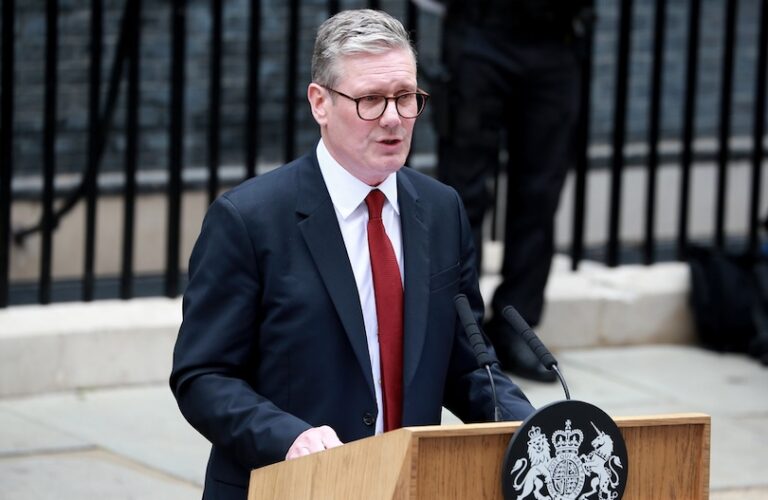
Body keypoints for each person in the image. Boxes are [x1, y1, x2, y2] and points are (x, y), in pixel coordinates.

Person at [170, 9, 534, 500]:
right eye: (370, 100)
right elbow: (203, 375)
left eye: (405, 97)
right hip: (291, 486)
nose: (393, 118)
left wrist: (537, 431)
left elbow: (467, 364)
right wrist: (288, 437)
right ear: (320, 103)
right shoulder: (248, 220)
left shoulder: (442, 209)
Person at [430, 0, 592, 382]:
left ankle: (516, 326)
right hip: (481, 29)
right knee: (462, 194)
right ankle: (460, 329)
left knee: (540, 194)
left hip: (557, 36)